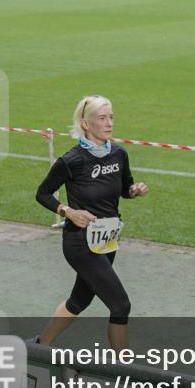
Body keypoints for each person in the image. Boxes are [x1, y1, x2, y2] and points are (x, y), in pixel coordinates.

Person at [34, 95, 148, 353]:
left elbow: (123, 190)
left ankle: (40, 346)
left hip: (107, 241)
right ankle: (124, 370)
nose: (109, 124)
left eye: (111, 118)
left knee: (78, 301)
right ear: (85, 124)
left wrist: (134, 190)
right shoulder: (72, 160)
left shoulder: (119, 154)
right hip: (80, 242)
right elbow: (42, 193)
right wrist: (67, 211)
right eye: (102, 118)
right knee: (120, 305)